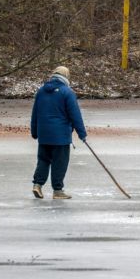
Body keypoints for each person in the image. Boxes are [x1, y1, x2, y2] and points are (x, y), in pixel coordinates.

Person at [30, 66, 87, 199]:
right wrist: (82, 134)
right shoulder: (67, 92)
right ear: (66, 77)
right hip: (60, 136)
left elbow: (35, 113)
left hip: (44, 134)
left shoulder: (41, 91)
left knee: (43, 160)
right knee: (59, 163)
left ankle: (37, 185)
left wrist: (34, 131)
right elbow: (75, 115)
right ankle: (57, 191)